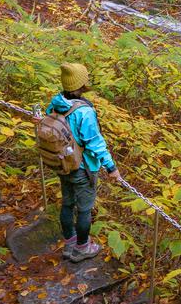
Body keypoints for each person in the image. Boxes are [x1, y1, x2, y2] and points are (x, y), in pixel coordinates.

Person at [46, 62, 123, 262]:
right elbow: (94, 143)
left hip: (62, 164)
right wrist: (111, 167)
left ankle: (70, 243)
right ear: (81, 84)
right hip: (82, 168)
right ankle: (82, 248)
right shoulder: (84, 112)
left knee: (67, 203)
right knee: (84, 209)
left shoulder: (56, 102)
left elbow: (49, 120)